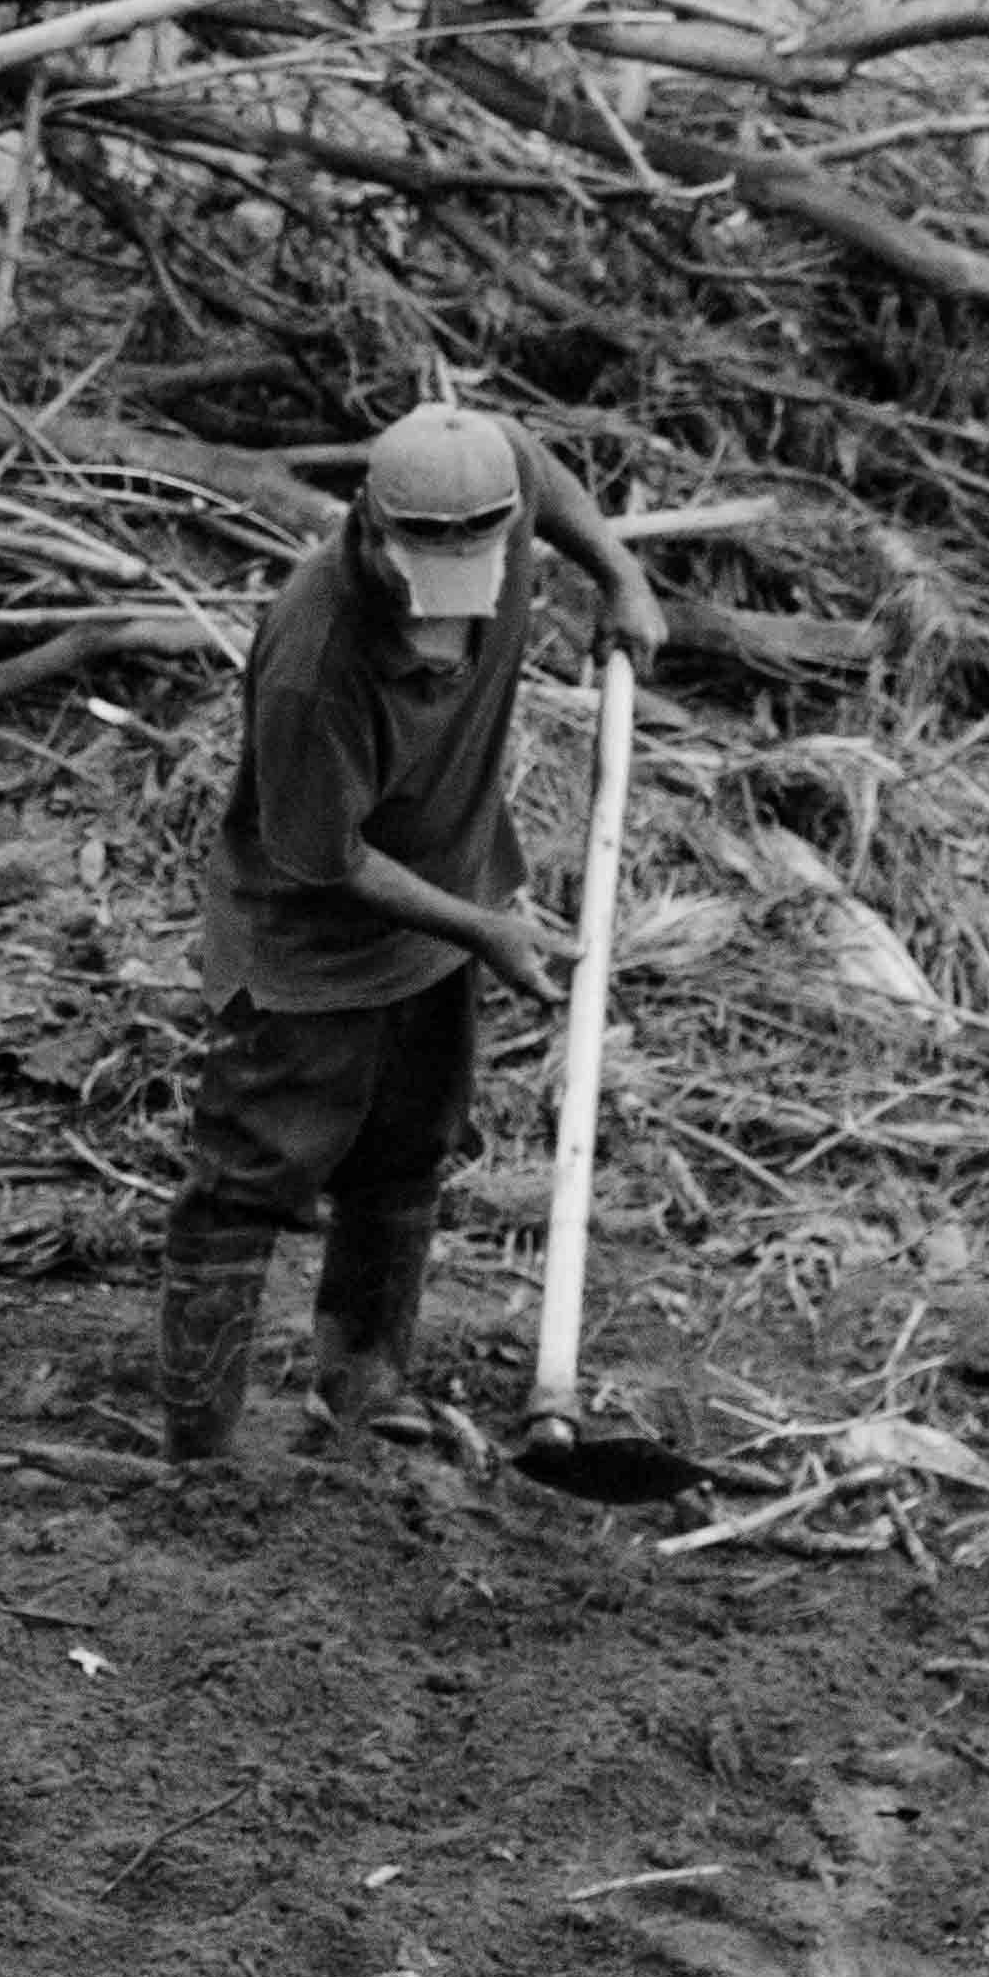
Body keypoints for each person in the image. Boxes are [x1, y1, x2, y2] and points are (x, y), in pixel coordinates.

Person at [163, 398, 668, 1461]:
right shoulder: (315, 656)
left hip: (444, 917)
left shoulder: (491, 484)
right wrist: (484, 929)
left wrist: (617, 572)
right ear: (371, 526)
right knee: (248, 1183)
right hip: (305, 955)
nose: (442, 603)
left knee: (405, 1157)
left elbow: (530, 456)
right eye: (419, 572)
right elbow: (325, 858)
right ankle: (200, 1450)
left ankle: (367, 1382)